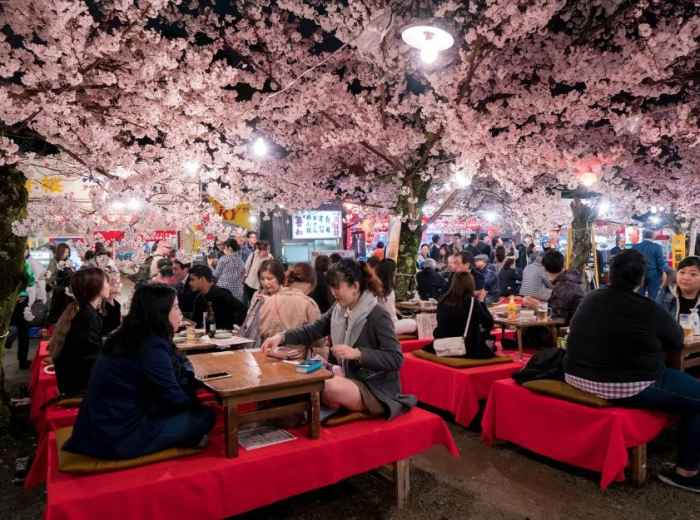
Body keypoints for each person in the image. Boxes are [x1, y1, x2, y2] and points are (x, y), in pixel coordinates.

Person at [564, 250, 700, 492]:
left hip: (576, 376)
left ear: (609, 275)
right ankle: (687, 471)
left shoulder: (591, 298)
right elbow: (677, 340)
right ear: (641, 279)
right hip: (628, 384)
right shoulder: (647, 307)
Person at [63, 284, 215, 460]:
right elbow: (173, 397)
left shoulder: (129, 335)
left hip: (97, 427)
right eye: (174, 307)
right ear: (159, 312)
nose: (180, 312)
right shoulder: (151, 346)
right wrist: (197, 404)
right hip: (119, 436)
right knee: (206, 416)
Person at [261, 259, 416, 419]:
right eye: (331, 287)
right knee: (307, 379)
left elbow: (396, 358)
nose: (333, 292)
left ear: (355, 286)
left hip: (375, 389)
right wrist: (282, 337)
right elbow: (313, 330)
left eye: (337, 287)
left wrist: (358, 354)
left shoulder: (378, 315)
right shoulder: (338, 309)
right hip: (347, 378)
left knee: (327, 386)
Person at [51, 267, 110, 395]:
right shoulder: (87, 317)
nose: (109, 285)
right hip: (79, 385)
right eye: (106, 282)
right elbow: (90, 358)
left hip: (75, 379)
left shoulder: (84, 311)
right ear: (96, 287)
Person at [259, 263, 324, 358]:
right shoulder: (308, 304)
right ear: (309, 284)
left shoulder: (268, 301)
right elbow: (318, 340)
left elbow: (263, 332)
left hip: (270, 357)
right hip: (298, 362)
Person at [427, 272, 495, 359]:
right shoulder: (471, 302)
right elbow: (488, 323)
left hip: (441, 342)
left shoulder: (443, 300)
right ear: (471, 284)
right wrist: (481, 301)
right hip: (464, 346)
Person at [524, 249, 584, 323]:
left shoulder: (563, 286)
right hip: (578, 324)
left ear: (545, 269)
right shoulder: (571, 280)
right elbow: (557, 307)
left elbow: (557, 317)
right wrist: (539, 303)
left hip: (569, 329)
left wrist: (538, 306)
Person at [240, 259, 285, 347]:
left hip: (277, 344)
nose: (265, 282)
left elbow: (285, 325)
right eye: (262, 279)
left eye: (270, 278)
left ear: (279, 278)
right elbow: (249, 317)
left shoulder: (285, 296)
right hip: (256, 342)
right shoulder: (257, 294)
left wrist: (270, 303)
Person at [189, 264, 246, 330]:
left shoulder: (222, 295)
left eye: (193, 280)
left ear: (202, 279)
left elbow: (242, 310)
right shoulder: (199, 299)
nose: (190, 283)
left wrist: (232, 328)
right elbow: (195, 323)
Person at [375, 259, 417, 336]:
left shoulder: (374, 288)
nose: (397, 274)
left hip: (378, 326)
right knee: (414, 323)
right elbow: (390, 316)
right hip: (388, 327)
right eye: (395, 272)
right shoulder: (388, 291)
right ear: (391, 273)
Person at [8, 258, 36, 369]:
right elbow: (31, 280)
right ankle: (23, 361)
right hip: (21, 299)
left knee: (12, 327)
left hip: (8, 299)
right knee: (23, 331)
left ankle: (11, 334)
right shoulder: (24, 263)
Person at [657, 256, 700, 321]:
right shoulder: (666, 293)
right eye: (682, 272)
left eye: (693, 274)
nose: (685, 278)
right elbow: (656, 320)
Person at [634, 229, 670, 299]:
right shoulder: (657, 247)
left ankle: (639, 309)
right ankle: (651, 309)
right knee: (653, 296)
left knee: (639, 296)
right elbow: (661, 263)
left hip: (639, 274)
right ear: (653, 236)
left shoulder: (635, 247)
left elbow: (632, 261)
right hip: (654, 274)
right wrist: (664, 272)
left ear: (643, 236)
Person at [243, 240, 273, 305]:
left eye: (269, 249)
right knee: (245, 303)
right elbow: (246, 267)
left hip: (259, 287)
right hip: (248, 283)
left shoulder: (270, 259)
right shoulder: (253, 255)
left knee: (256, 304)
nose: (268, 251)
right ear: (260, 250)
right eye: (266, 249)